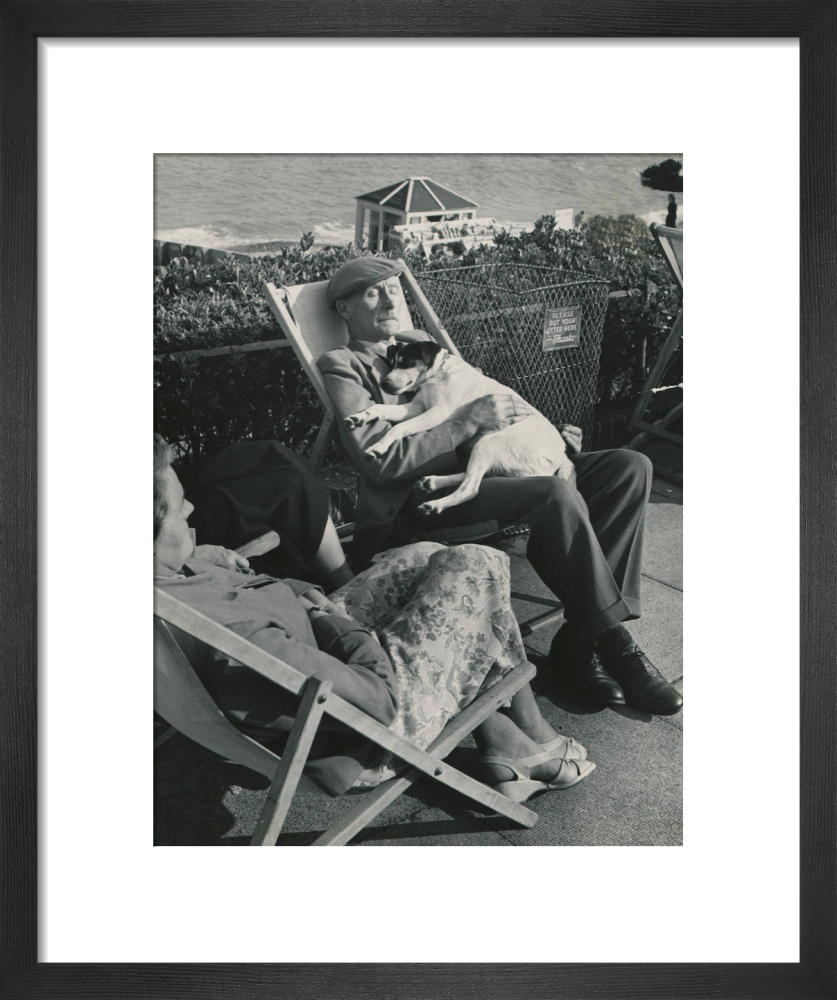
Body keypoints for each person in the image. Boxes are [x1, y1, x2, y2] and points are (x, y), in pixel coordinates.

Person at [317, 257, 682, 716]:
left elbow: (482, 400)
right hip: (426, 494)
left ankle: (580, 638)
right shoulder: (344, 365)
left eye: (394, 289)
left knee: (628, 467)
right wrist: (467, 423)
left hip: (498, 461)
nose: (391, 301)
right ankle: (610, 638)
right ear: (345, 309)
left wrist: (541, 434)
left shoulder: (420, 344)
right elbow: (381, 462)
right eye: (374, 293)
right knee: (555, 495)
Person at [154, 435, 595, 802]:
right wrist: (335, 621)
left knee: (425, 555)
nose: (191, 509)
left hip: (320, 651)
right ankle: (529, 737)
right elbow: (378, 701)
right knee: (477, 565)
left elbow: (258, 598)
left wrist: (207, 562)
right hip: (367, 731)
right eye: (177, 507)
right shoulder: (235, 639)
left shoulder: (165, 584)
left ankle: (506, 742)